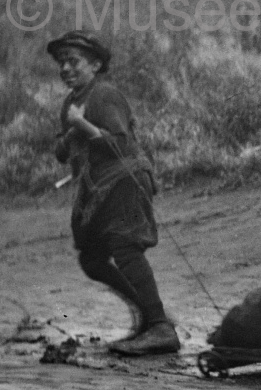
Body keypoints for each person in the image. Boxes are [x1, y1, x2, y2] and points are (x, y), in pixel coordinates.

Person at [49, 32, 180, 357]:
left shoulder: (104, 95)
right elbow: (61, 152)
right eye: (62, 62)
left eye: (73, 61)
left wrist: (81, 126)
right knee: (92, 258)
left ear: (94, 64)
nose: (65, 68)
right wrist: (70, 131)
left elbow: (120, 145)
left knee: (125, 247)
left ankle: (161, 328)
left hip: (125, 179)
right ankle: (150, 316)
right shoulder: (71, 102)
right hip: (97, 188)